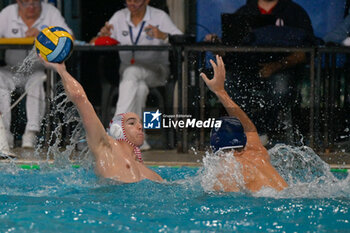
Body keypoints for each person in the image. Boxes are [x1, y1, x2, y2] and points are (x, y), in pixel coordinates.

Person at [39, 55, 163, 183]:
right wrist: (61, 70)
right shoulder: (106, 147)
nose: (140, 126)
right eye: (131, 123)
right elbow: (79, 98)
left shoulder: (152, 175)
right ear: (117, 130)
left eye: (140, 123)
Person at [206, 0, 314, 145]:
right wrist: (217, 45)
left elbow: (305, 53)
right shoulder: (244, 12)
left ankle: (259, 129)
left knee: (281, 89)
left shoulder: (294, 12)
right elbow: (230, 52)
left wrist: (275, 66)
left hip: (282, 69)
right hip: (247, 70)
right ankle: (255, 130)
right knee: (229, 82)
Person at [91, 0, 182, 150]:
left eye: (136, 0)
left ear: (147, 0)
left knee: (132, 72)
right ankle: (138, 140)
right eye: (128, 0)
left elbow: (181, 39)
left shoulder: (159, 17)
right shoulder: (119, 16)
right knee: (139, 88)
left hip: (157, 70)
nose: (132, 4)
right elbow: (94, 41)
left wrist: (163, 36)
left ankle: (116, 132)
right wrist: (103, 35)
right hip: (128, 71)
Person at [200, 55, 288, 192]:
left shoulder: (228, 170)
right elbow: (249, 128)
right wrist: (220, 91)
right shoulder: (257, 152)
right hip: (288, 194)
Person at [0, 0, 73, 148]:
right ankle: (4, 134)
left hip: (37, 69)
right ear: (18, 3)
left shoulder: (51, 12)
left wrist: (43, 35)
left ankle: (31, 134)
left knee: (38, 79)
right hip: (11, 69)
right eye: (26, 4)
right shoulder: (8, 13)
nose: (31, 7)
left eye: (35, 3)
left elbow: (68, 36)